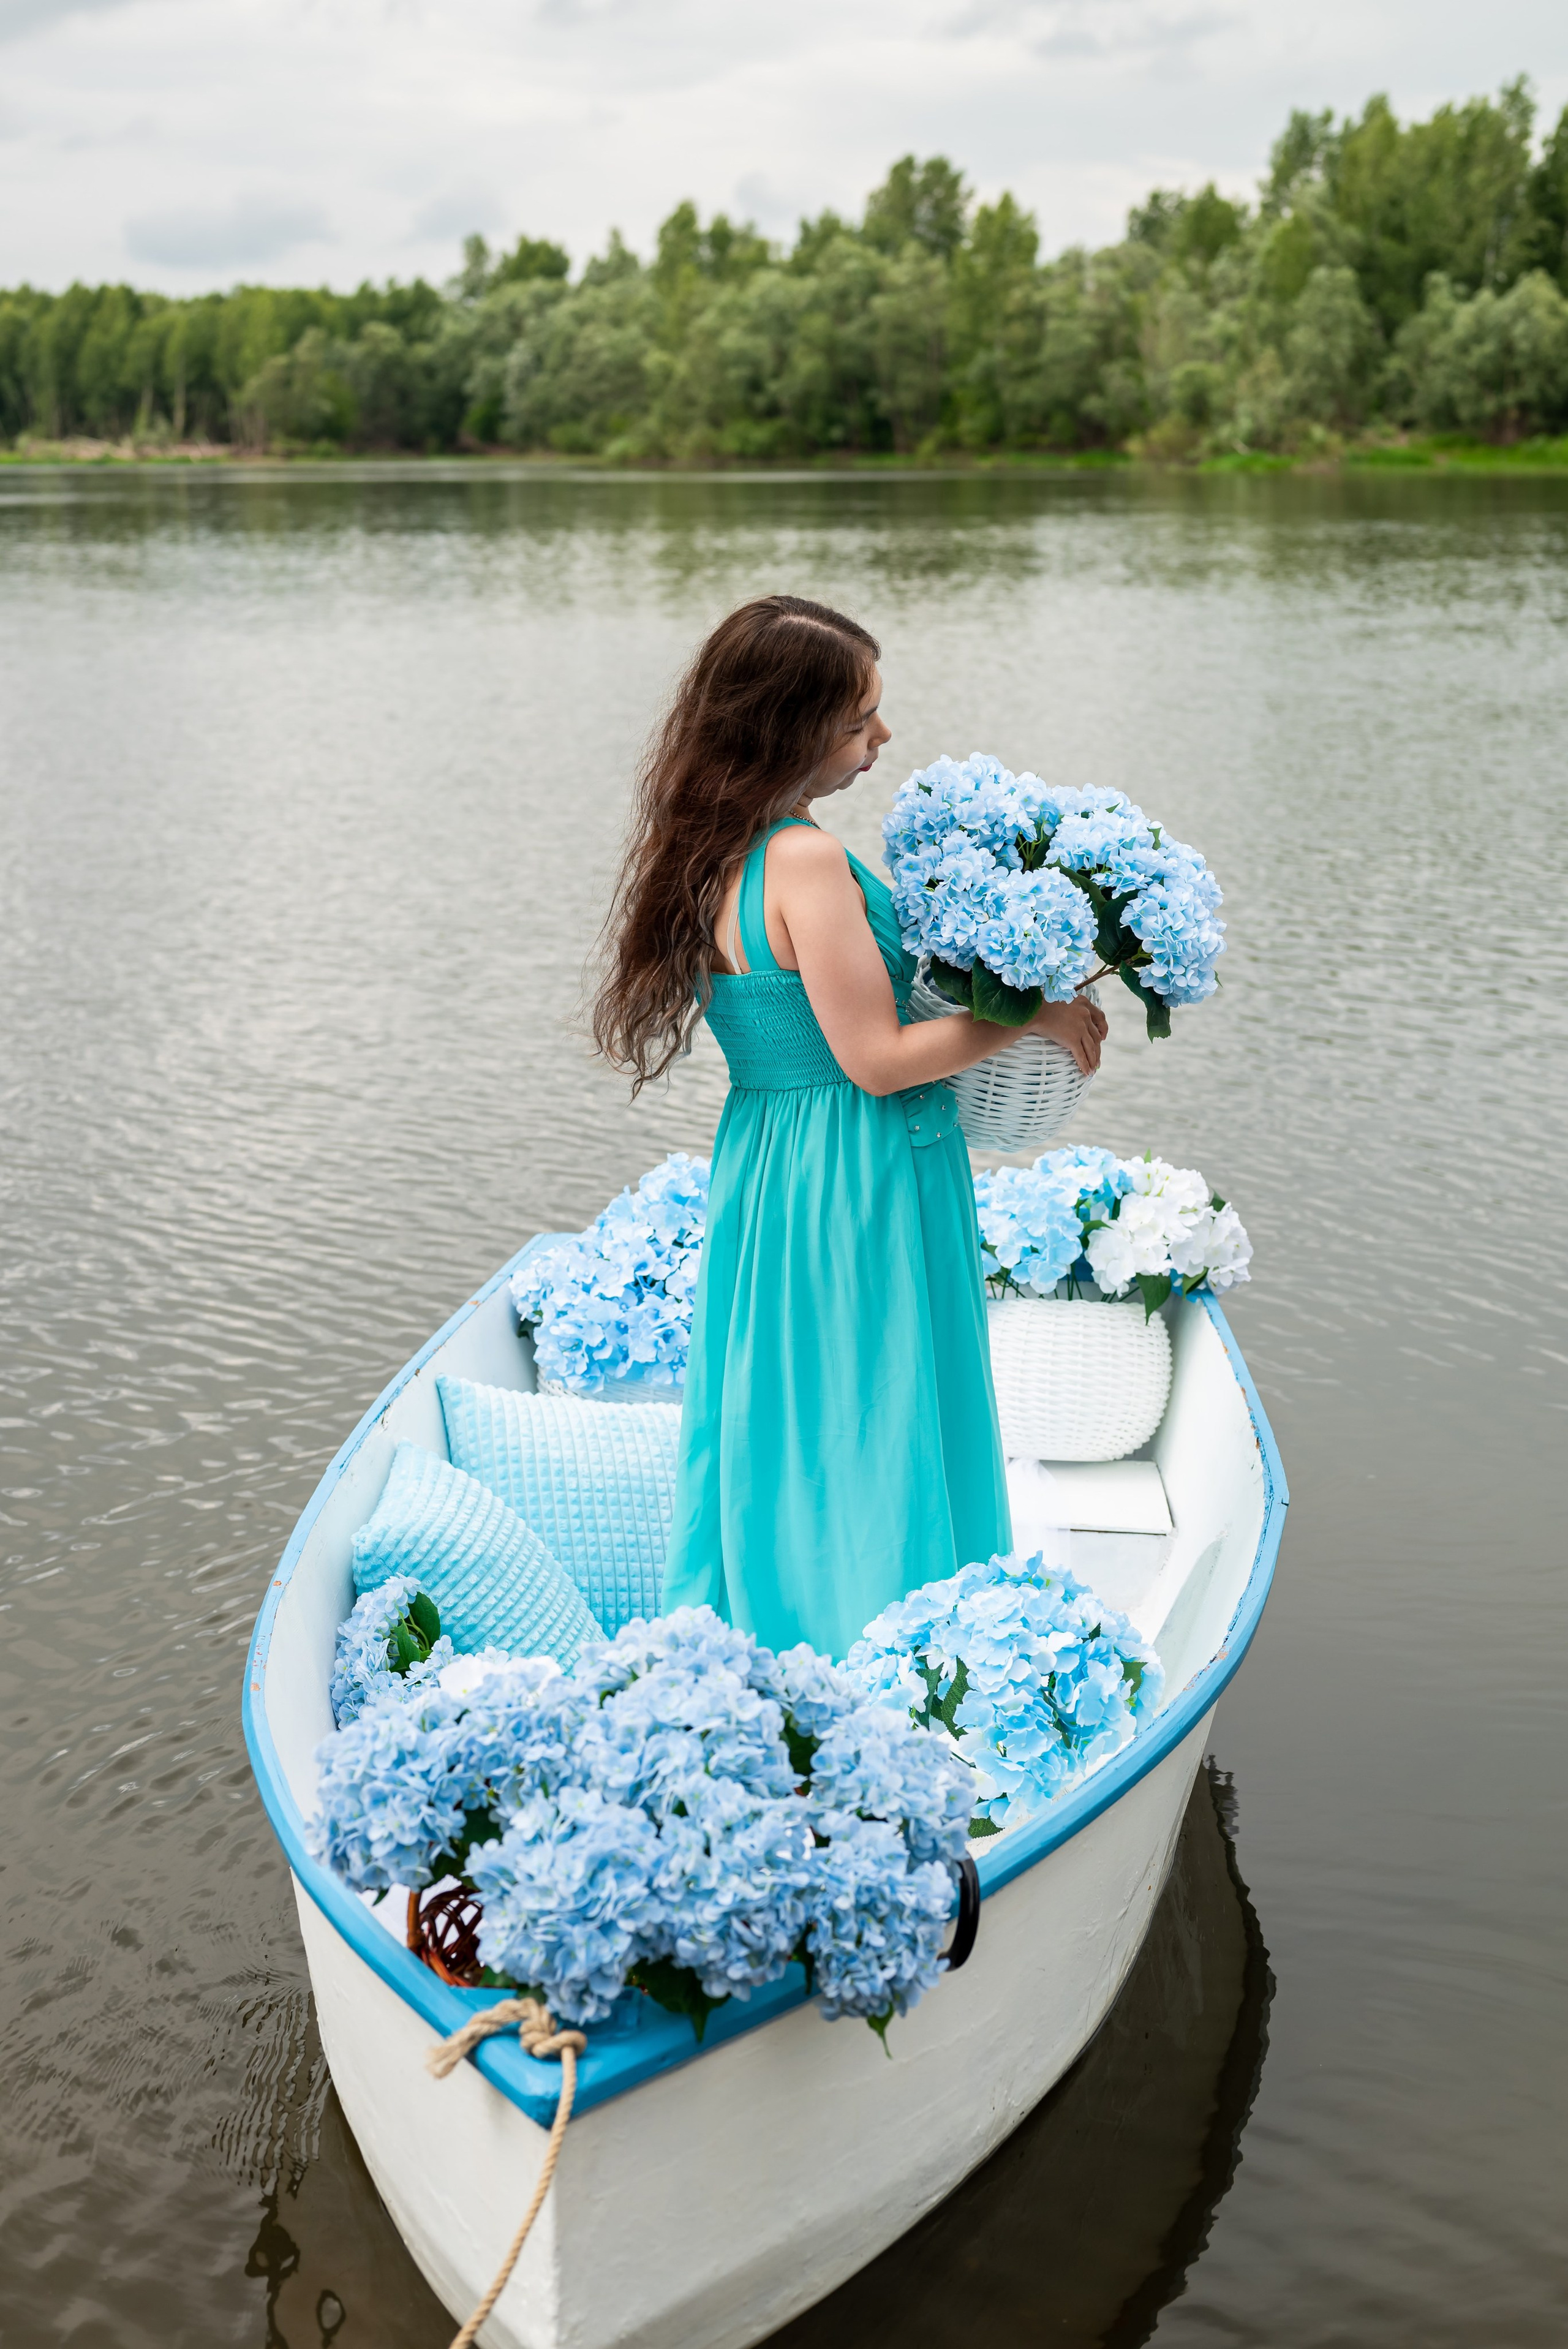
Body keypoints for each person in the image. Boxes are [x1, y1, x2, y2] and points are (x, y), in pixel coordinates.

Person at [594, 595, 1106, 1661]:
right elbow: (874, 1063)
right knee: (877, 1405)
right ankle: (892, 1639)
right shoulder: (806, 863)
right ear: (786, 729)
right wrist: (1030, 1015)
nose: (881, 740)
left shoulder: (710, 847)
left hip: (773, 1160)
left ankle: (779, 1624)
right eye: (858, 722)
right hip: (859, 1163)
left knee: (796, 1405)